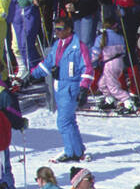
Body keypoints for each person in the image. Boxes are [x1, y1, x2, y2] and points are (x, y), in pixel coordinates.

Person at [21, 16, 92, 163]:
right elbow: (47, 63)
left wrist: (84, 88)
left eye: (60, 29)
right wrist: (31, 76)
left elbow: (87, 68)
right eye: (56, 29)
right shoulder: (57, 45)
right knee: (69, 120)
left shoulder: (78, 46)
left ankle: (70, 151)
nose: (57, 32)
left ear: (69, 29)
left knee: (63, 121)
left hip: (71, 86)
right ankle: (77, 150)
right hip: (59, 86)